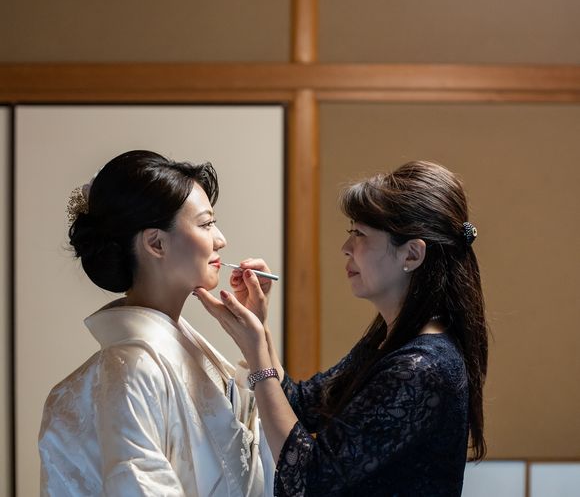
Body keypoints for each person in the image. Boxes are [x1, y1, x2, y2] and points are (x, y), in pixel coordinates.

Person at [197, 160, 488, 497]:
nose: (346, 248)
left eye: (360, 234)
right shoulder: (393, 340)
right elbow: (300, 404)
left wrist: (258, 354)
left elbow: (309, 479)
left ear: (411, 254)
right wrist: (258, 327)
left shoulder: (422, 367)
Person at [39, 150, 274, 496]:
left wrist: (257, 337)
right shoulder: (132, 369)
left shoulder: (170, 352)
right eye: (206, 224)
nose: (220, 239)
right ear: (156, 243)